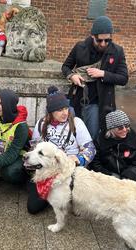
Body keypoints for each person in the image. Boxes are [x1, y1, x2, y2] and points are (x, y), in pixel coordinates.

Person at [27, 86, 96, 214]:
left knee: (78, 209)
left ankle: (61, 196)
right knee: (33, 208)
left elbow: (90, 148)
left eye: (66, 108)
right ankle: (52, 195)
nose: (65, 113)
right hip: (48, 170)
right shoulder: (41, 124)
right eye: (60, 110)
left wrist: (80, 158)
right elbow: (35, 148)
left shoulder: (76, 123)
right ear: (51, 112)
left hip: (69, 170)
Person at [61, 16, 128, 140]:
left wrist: (103, 74)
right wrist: (72, 75)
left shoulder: (117, 51)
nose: (103, 44)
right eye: (99, 40)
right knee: (73, 135)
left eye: (107, 40)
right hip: (78, 100)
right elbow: (65, 67)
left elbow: (123, 78)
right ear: (93, 36)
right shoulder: (80, 47)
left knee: (92, 137)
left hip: (100, 103)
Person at [89, 110, 136, 184]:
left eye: (127, 126)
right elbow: (95, 164)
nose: (125, 130)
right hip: (107, 181)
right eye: (120, 128)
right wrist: (111, 177)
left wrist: (124, 179)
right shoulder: (99, 142)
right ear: (111, 129)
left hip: (130, 181)